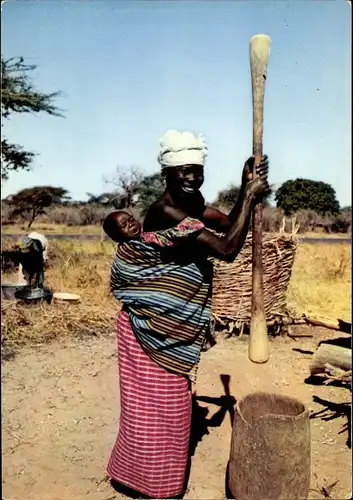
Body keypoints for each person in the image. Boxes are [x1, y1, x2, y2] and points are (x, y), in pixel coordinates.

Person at [106, 131, 270, 500]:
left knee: (166, 408)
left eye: (198, 171)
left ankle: (152, 482)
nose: (193, 178)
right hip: (150, 328)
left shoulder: (191, 202)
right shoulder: (165, 212)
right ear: (166, 172)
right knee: (155, 410)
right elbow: (227, 249)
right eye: (184, 171)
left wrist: (247, 186)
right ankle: (146, 483)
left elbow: (228, 223)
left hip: (166, 329)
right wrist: (251, 195)